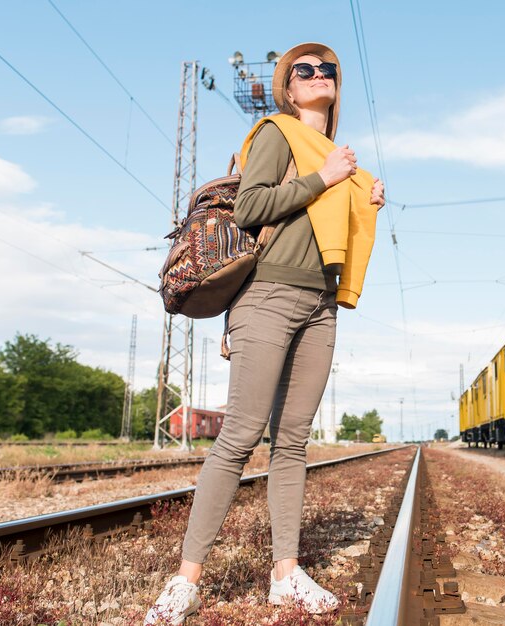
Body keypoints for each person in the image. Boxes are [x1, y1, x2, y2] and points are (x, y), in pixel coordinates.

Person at [144, 42, 385, 626]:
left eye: (327, 69)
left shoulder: (341, 159)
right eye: (304, 70)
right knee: (241, 436)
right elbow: (251, 207)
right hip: (268, 297)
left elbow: (328, 230)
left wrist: (364, 201)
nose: (318, 75)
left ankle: (285, 575)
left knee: (293, 442)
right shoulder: (276, 132)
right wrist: (325, 179)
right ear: (287, 86)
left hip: (320, 305)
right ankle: (185, 581)